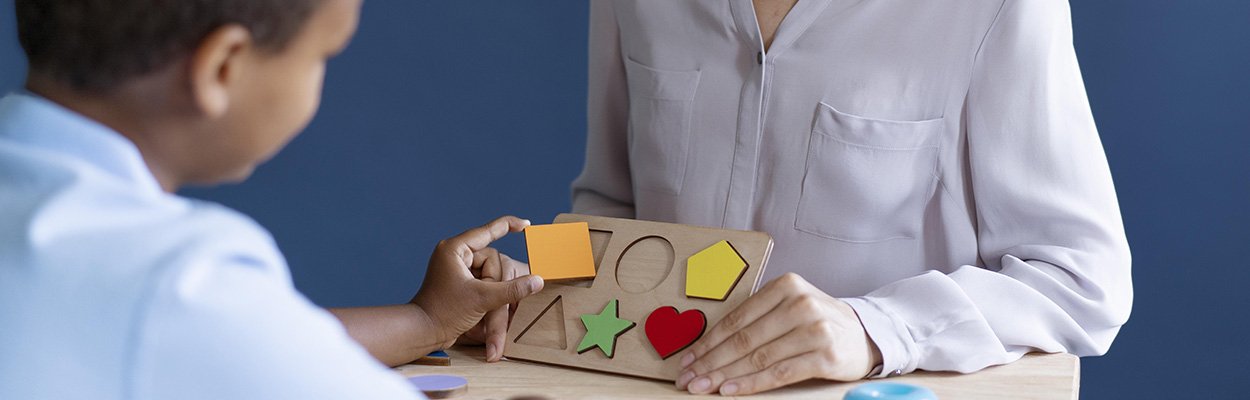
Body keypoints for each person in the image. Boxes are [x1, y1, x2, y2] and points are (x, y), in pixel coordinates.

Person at [571, 0, 1132, 395]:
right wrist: (527, 288)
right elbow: (607, 204)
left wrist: (875, 329)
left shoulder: (995, 5)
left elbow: (1085, 279)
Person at [0, 1, 541, 399]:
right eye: (321, 55)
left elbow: (251, 341)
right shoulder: (177, 278)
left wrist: (426, 321)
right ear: (223, 68)